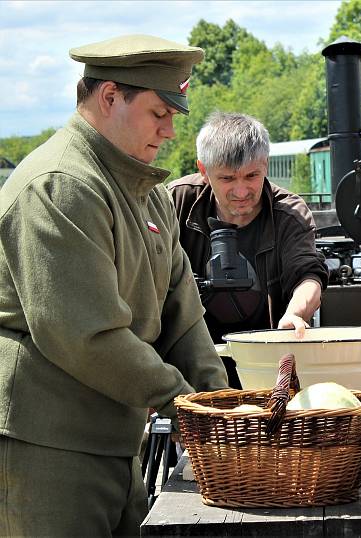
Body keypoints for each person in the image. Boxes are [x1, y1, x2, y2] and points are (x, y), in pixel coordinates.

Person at [0, 35, 229, 536]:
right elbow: (85, 335)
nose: (171, 131)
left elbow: (182, 315)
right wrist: (188, 406)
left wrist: (225, 408)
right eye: (158, 113)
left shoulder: (143, 189)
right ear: (109, 98)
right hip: (48, 446)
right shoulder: (61, 184)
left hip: (116, 440)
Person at [168, 112, 329, 387]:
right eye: (228, 178)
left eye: (252, 175)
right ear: (204, 171)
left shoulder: (289, 213)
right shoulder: (175, 201)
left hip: (267, 370)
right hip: (186, 368)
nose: (241, 191)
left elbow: (308, 275)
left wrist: (295, 314)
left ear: (265, 165)